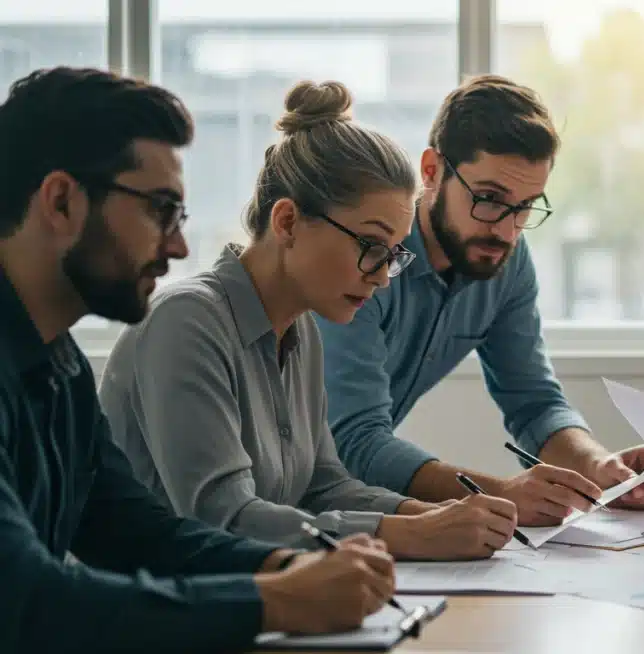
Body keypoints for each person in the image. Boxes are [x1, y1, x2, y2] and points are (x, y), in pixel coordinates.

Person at [0, 67, 399, 652]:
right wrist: (277, 599)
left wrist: (288, 567)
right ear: (61, 202)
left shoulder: (58, 364)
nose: (179, 246)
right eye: (160, 210)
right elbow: (29, 601)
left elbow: (138, 533)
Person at [98, 80, 518, 562]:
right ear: (288, 223)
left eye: (393, 255)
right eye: (370, 247)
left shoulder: (302, 332)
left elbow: (325, 487)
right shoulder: (186, 322)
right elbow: (222, 517)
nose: (383, 278)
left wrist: (431, 514)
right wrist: (413, 535)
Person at [317, 74, 644, 527]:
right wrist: (500, 493)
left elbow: (535, 402)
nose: (505, 230)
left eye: (525, 207)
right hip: (277, 499)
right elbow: (354, 440)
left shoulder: (506, 261)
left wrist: (598, 469)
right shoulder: (370, 256)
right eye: (488, 199)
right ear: (431, 171)